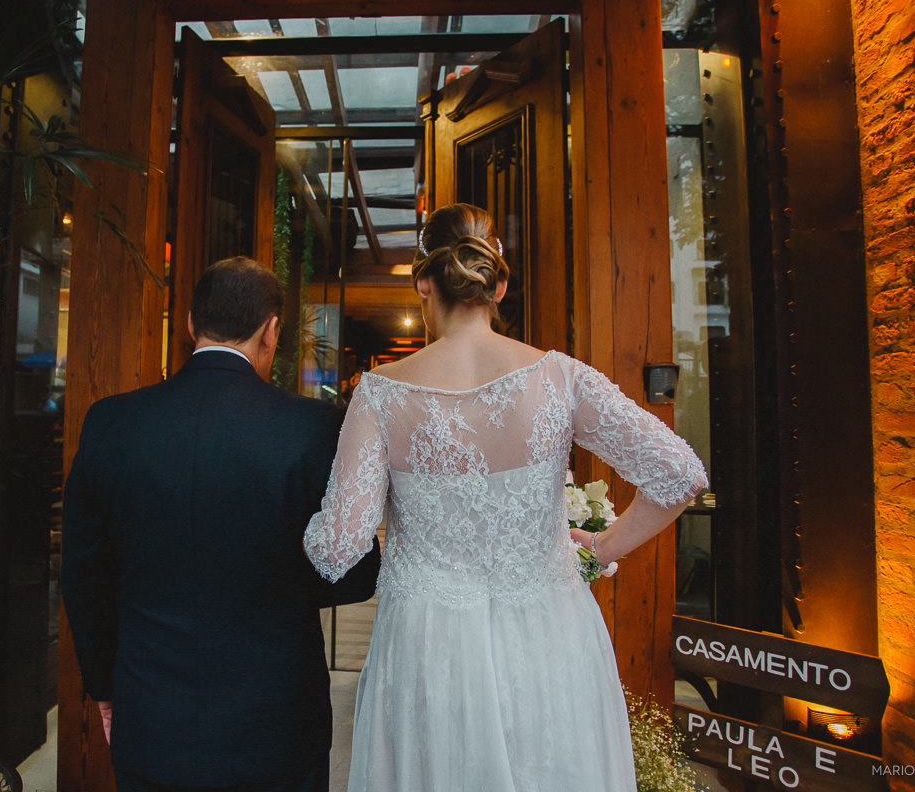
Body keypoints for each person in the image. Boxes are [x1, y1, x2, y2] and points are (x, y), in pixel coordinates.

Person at [303, 204, 708, 791]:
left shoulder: (380, 397)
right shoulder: (561, 378)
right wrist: (599, 544)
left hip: (428, 649)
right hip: (551, 634)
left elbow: (336, 549)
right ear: (500, 282)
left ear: (423, 281)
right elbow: (681, 474)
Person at [62, 257, 381, 792]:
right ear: (272, 330)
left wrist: (105, 688)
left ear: (189, 324)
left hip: (150, 708)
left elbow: (83, 576)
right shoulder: (312, 428)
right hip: (274, 716)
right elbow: (353, 573)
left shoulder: (110, 422)